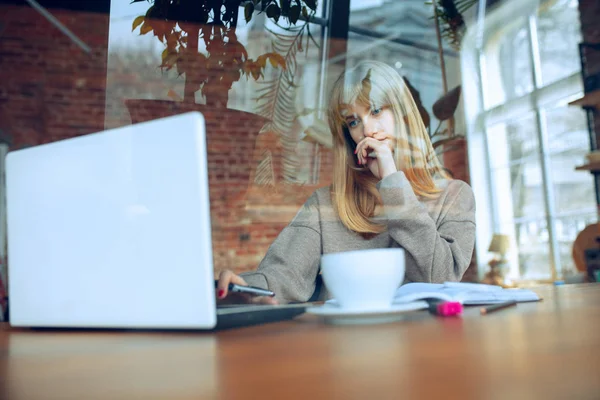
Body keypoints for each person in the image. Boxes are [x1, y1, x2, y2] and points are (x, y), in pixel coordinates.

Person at [216, 60, 476, 305]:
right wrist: (243, 287)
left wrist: (392, 181)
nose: (367, 130)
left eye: (375, 110)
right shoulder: (326, 204)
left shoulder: (454, 196)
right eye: (353, 121)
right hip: (341, 345)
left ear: (403, 114)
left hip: (423, 347)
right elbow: (283, 277)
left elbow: (438, 277)